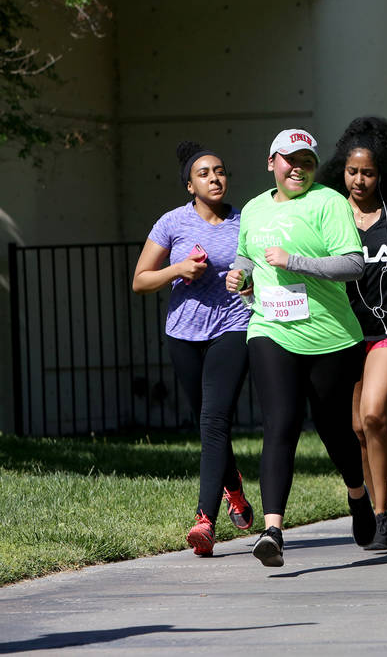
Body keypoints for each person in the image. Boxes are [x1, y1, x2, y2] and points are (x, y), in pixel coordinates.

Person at [226, 129, 374, 568]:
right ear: (271, 161)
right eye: (290, 160)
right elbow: (245, 257)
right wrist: (240, 277)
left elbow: (353, 265)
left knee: (333, 429)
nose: (298, 168)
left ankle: (358, 495)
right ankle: (272, 531)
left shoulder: (328, 203)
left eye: (307, 161)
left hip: (330, 337)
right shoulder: (253, 208)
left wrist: (296, 263)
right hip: (270, 328)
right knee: (281, 423)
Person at [132, 141, 254, 556]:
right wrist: (177, 269)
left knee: (214, 418)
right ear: (190, 185)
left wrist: (249, 282)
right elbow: (140, 280)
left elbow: (261, 272)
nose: (214, 178)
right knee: (208, 421)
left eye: (219, 171)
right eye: (204, 173)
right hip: (184, 332)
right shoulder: (171, 223)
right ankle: (234, 486)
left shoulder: (245, 221)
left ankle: (205, 521)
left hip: (234, 326)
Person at [317, 117, 387, 550]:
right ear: (341, 172)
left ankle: (383, 515)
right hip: (343, 332)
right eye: (352, 171)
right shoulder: (329, 211)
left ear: (381, 174)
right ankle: (369, 505)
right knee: (356, 429)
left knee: (373, 414)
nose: (359, 179)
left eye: (367, 172)